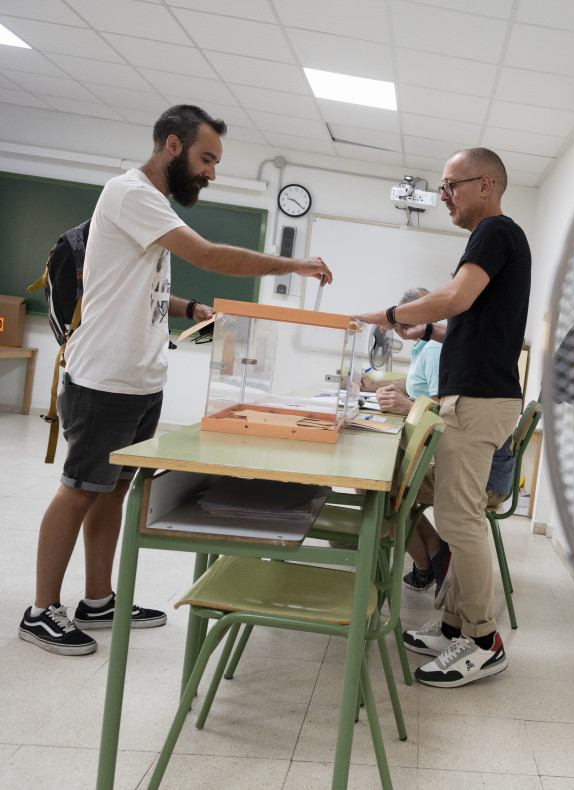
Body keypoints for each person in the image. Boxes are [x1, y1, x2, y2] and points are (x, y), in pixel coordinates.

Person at [18, 105, 333, 656]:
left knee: (113, 490)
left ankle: (98, 599)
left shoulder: (152, 204)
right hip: (105, 381)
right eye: (206, 158)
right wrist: (294, 265)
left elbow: (132, 285)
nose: (212, 172)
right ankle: (40, 610)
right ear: (171, 145)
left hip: (141, 380)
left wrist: (188, 308)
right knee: (78, 490)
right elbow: (208, 255)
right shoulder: (130, 192)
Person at [354, 147, 530, 688]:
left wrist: (388, 315)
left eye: (452, 185)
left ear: (487, 184)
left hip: (479, 403)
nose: (444, 196)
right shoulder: (493, 241)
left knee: (460, 521)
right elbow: (472, 324)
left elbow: (454, 297)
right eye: (443, 187)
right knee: (455, 515)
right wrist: (425, 331)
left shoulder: (494, 232)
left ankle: (481, 640)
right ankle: (455, 624)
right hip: (472, 397)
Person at [363, 287, 516, 594]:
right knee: (385, 480)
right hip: (479, 465)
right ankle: (434, 553)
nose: (402, 330)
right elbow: (419, 390)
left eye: (405, 322)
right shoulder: (435, 348)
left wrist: (408, 408)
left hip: (479, 475)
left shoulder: (437, 350)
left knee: (379, 484)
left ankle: (429, 561)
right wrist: (373, 384)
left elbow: (442, 417)